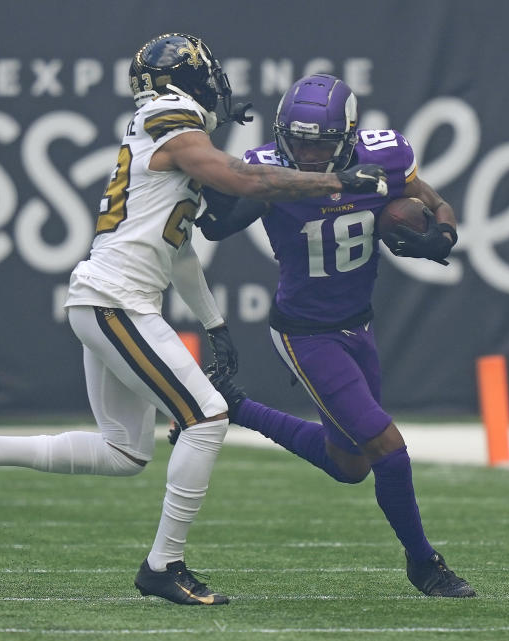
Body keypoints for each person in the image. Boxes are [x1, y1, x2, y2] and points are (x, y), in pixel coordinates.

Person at [0, 38, 389, 607]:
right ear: (188, 80)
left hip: (110, 298)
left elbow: (178, 249)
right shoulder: (168, 118)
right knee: (208, 417)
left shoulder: (175, 130)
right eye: (209, 76)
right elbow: (244, 181)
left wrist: (216, 324)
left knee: (124, 452)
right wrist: (339, 181)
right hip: (114, 299)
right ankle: (163, 565)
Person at [174, 73, 475, 598]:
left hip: (359, 324)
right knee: (388, 446)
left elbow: (435, 202)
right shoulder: (268, 169)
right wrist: (224, 206)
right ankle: (425, 564)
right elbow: (214, 225)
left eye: (320, 143)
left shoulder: (384, 157)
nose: (307, 154)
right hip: (306, 333)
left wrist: (441, 233)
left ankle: (235, 406)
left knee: (351, 464)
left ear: (349, 139)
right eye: (299, 140)